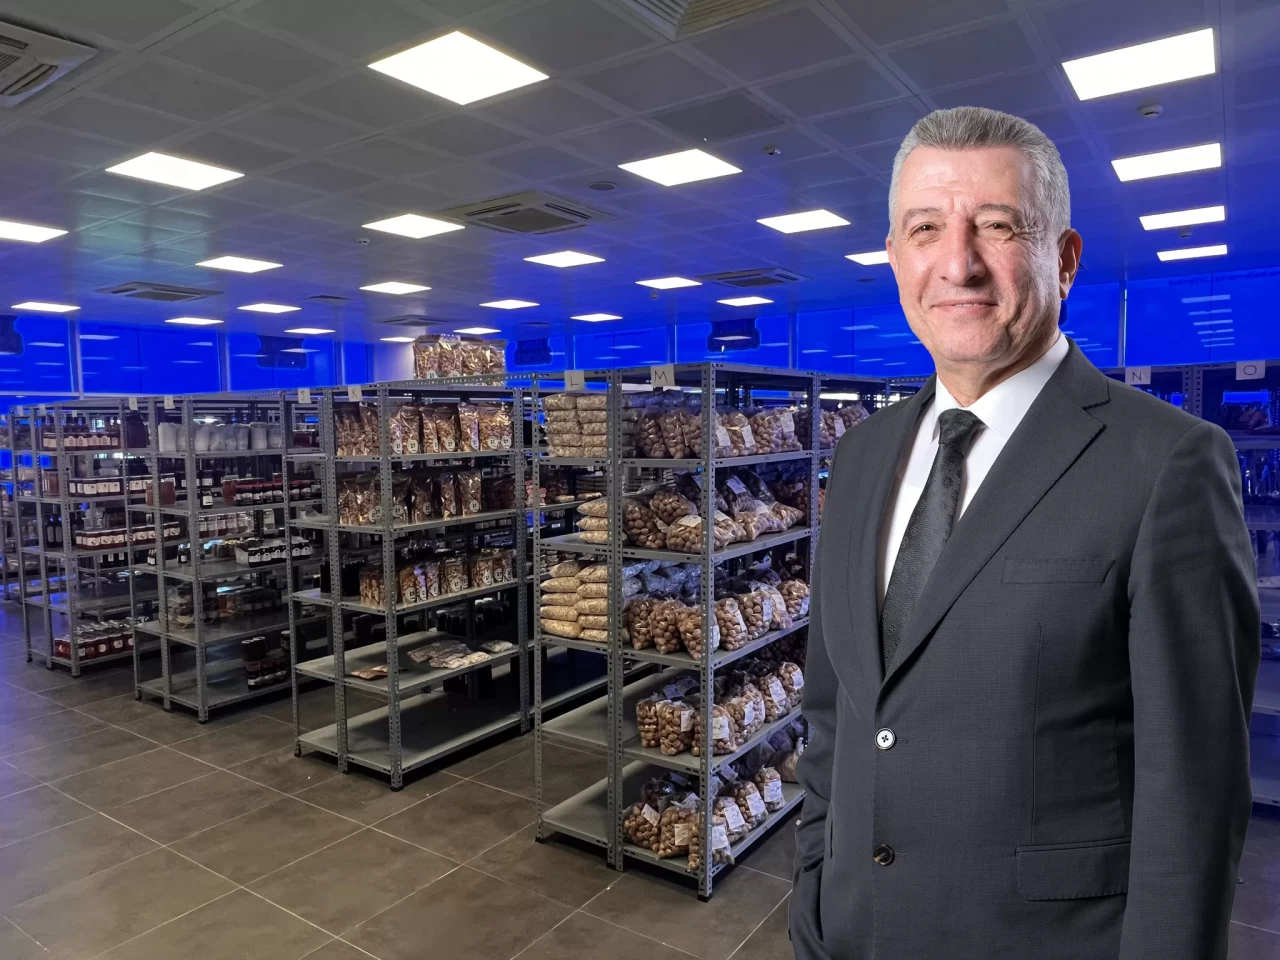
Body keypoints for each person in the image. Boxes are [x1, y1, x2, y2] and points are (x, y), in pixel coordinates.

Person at [789, 106, 1259, 960]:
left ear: (1065, 259)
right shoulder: (859, 455)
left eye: (998, 226)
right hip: (854, 931)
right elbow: (836, 711)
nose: (958, 263)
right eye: (925, 229)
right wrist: (816, 887)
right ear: (894, 257)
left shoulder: (1167, 463)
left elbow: (1193, 792)